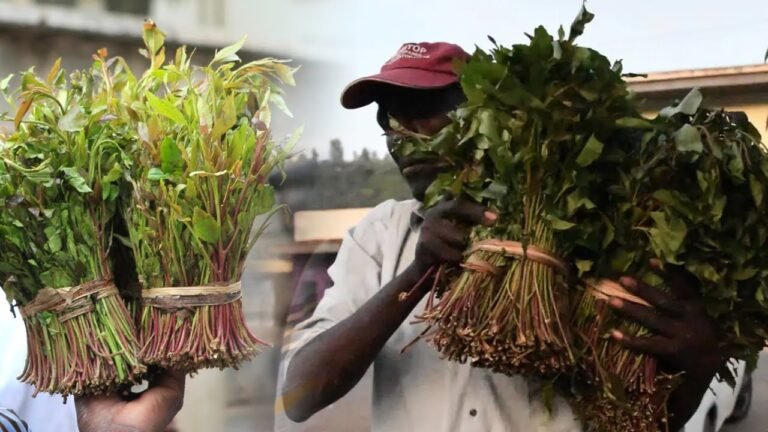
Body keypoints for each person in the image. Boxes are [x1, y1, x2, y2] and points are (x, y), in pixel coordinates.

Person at [278, 42, 725, 431]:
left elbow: (639, 418)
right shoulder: (378, 235)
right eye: (391, 120)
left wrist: (700, 367)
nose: (405, 136)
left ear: (488, 119)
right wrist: (417, 274)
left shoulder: (578, 228)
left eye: (427, 114)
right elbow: (300, 396)